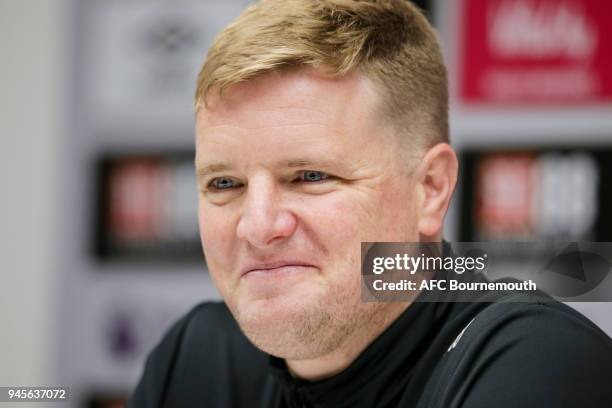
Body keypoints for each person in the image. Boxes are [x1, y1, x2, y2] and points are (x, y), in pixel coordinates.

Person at [127, 1, 612, 407]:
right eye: (224, 184)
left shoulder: (535, 360)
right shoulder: (199, 356)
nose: (257, 226)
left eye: (310, 177)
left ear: (431, 189)